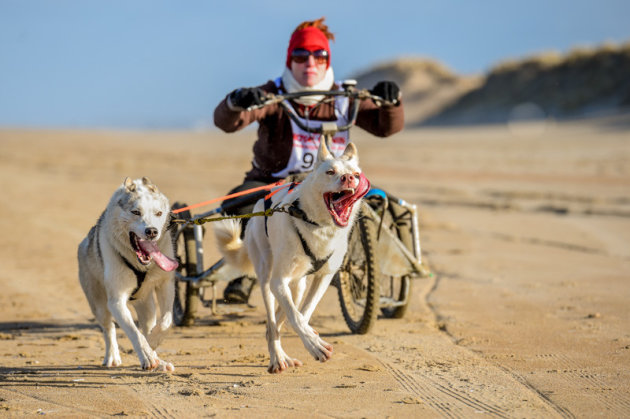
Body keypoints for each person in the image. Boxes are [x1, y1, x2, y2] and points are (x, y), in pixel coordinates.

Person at [214, 17, 404, 303]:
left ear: (328, 60)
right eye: (301, 56)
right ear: (290, 61)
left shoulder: (344, 97)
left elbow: (386, 127)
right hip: (274, 182)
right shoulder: (273, 94)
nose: (310, 63)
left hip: (336, 180)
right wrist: (236, 102)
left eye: (319, 55)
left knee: (381, 205)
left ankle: (363, 266)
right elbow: (228, 122)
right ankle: (245, 274)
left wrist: (392, 102)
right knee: (237, 205)